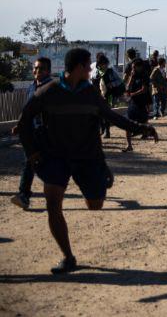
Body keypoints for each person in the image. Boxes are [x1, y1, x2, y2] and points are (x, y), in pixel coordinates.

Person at [16, 47, 158, 274]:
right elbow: (23, 122)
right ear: (80, 67)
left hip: (86, 157)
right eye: (89, 64)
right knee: (53, 205)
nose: (91, 68)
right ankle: (68, 257)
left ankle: (101, 175)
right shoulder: (47, 91)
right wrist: (32, 152)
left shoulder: (91, 93)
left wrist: (142, 128)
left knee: (95, 204)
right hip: (55, 157)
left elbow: (112, 117)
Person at [10, 57, 55, 210]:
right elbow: (27, 111)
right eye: (35, 68)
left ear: (48, 71)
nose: (37, 71)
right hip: (33, 133)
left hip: (49, 134)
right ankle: (24, 195)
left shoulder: (52, 88)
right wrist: (20, 125)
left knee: (52, 166)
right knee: (29, 162)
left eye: (41, 68)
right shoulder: (31, 87)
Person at [123, 59, 152, 153]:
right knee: (127, 123)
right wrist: (131, 76)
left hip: (142, 103)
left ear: (140, 67)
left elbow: (144, 89)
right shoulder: (134, 75)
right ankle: (129, 145)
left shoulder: (145, 76)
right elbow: (128, 88)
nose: (133, 68)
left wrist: (133, 94)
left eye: (134, 67)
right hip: (133, 103)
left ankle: (147, 132)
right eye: (132, 67)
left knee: (143, 122)